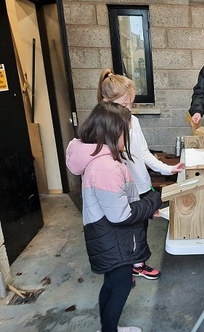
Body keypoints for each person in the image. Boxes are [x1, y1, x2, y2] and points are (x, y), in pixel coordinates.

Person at [66, 102, 162, 332]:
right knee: (119, 287)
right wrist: (152, 201)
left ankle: (109, 329)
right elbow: (120, 215)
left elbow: (119, 202)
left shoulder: (104, 158)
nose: (128, 136)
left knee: (111, 284)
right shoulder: (105, 167)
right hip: (114, 238)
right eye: (126, 131)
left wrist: (146, 209)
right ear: (112, 132)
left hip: (109, 236)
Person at [98, 68, 185, 282]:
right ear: (105, 101)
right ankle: (132, 266)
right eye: (124, 105)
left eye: (131, 105)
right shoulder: (103, 127)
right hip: (125, 190)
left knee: (141, 226)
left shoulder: (133, 121)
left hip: (142, 185)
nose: (129, 109)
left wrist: (167, 169)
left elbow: (143, 152)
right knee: (129, 230)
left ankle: (135, 264)